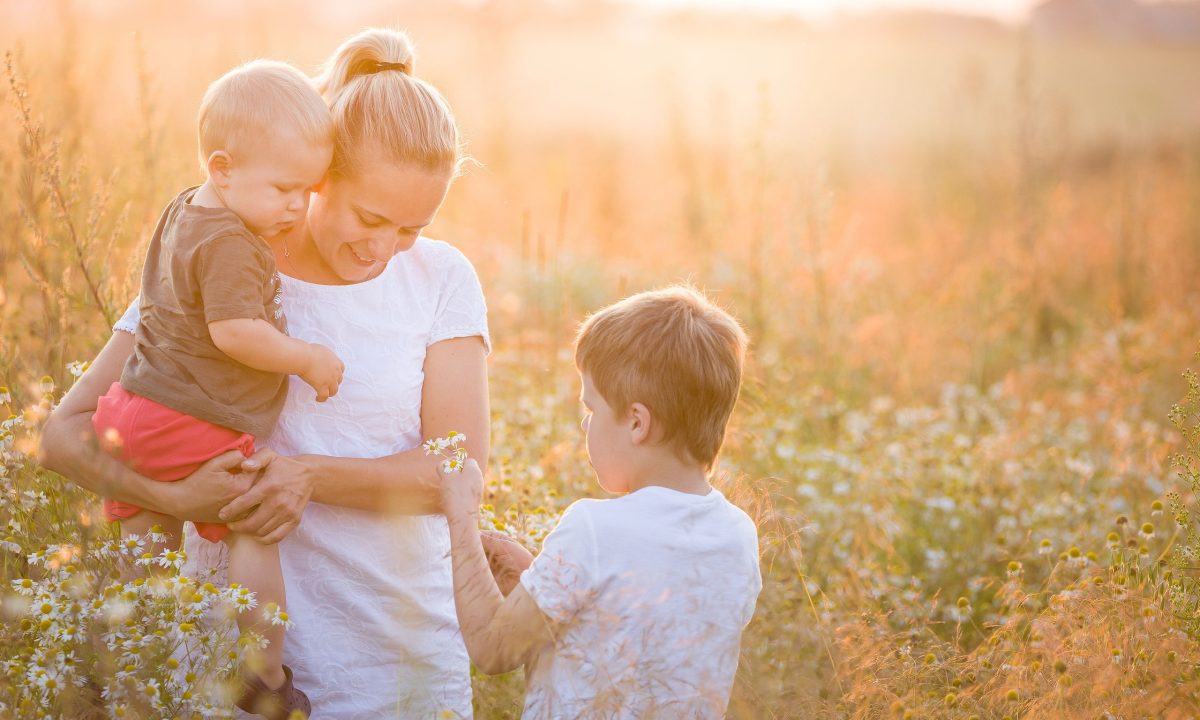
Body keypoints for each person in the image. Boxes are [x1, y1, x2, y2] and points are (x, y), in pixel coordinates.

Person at [40, 28, 524, 719]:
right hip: (227, 674)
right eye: (370, 217)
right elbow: (63, 434)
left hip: (396, 667)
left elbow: (458, 469)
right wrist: (175, 500)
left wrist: (307, 475)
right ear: (317, 177)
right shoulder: (224, 261)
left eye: (410, 229)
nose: (385, 248)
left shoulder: (443, 280)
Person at [90, 59, 344, 719]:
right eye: (286, 189)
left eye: (308, 191)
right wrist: (307, 358)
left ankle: (130, 655)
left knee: (144, 536)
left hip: (133, 408)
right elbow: (236, 331)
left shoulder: (187, 209)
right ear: (223, 167)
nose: (298, 205)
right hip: (193, 419)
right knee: (254, 522)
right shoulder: (235, 242)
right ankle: (264, 676)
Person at [439, 285, 763, 719]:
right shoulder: (738, 536)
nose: (585, 427)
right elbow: (630, 631)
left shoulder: (593, 529)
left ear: (636, 422)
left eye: (590, 410)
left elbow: (494, 649)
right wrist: (537, 577)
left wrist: (462, 517)